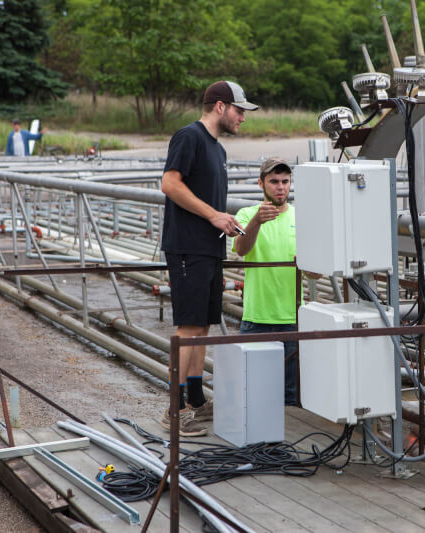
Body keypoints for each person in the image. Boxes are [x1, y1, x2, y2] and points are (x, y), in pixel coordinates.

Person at [159, 80, 258, 436]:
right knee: (188, 327)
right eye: (239, 110)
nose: (242, 118)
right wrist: (213, 215)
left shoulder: (217, 149)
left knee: (201, 326)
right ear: (220, 106)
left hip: (208, 247)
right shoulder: (189, 137)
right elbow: (170, 184)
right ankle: (174, 410)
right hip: (187, 247)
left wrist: (221, 220)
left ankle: (196, 400)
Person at [232, 157, 303, 406]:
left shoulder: (301, 216)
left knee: (292, 398)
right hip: (256, 319)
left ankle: (287, 443)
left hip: (292, 321)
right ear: (261, 183)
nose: (280, 187)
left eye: (285, 181)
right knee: (252, 394)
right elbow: (241, 249)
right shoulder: (246, 214)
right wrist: (257, 222)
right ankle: (257, 445)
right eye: (274, 181)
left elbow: (317, 274)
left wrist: (309, 261)